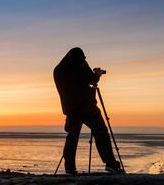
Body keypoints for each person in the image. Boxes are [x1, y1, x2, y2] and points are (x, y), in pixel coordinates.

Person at [53, 47, 124, 175]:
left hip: (70, 109)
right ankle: (110, 163)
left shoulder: (58, 70)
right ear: (80, 56)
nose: (85, 59)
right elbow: (91, 79)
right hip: (87, 107)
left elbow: (74, 83)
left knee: (72, 137)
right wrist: (98, 73)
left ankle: (69, 168)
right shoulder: (79, 62)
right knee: (101, 132)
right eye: (84, 57)